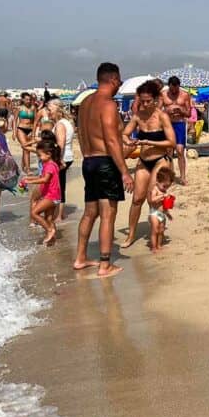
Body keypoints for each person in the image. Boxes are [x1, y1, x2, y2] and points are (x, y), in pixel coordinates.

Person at [73, 63, 134, 277]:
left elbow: (80, 135)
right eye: (119, 81)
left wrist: (90, 157)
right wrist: (125, 171)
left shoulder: (86, 103)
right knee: (108, 213)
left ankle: (80, 257)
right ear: (113, 80)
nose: (120, 84)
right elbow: (110, 140)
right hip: (105, 163)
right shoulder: (107, 105)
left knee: (91, 212)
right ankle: (105, 264)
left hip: (88, 161)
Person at [121, 81, 176, 248]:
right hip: (144, 161)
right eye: (142, 101)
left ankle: (158, 232)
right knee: (137, 199)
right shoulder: (138, 116)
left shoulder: (162, 116)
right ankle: (131, 235)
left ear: (156, 99)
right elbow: (124, 133)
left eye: (148, 101)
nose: (144, 104)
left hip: (160, 160)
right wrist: (129, 142)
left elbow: (171, 142)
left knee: (154, 200)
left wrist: (149, 141)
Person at [21, 141, 62, 244]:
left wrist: (30, 181)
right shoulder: (51, 164)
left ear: (49, 154)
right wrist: (28, 178)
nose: (39, 157)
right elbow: (41, 177)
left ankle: (49, 230)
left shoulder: (50, 166)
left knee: (34, 213)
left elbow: (45, 180)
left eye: (40, 155)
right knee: (49, 219)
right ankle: (52, 238)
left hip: (51, 196)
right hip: (55, 196)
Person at [46, 100, 75, 221]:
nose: (48, 112)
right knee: (60, 185)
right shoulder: (65, 122)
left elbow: (60, 144)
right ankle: (59, 214)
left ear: (58, 110)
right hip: (67, 157)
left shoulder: (60, 125)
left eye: (50, 109)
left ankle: (58, 215)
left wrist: (58, 160)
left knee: (57, 187)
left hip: (63, 158)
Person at [161, 76, 192, 185]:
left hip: (179, 123)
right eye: (172, 89)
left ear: (179, 86)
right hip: (168, 123)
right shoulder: (163, 94)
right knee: (169, 151)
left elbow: (189, 113)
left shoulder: (184, 95)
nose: (174, 92)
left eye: (176, 89)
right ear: (169, 86)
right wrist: (167, 112)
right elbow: (158, 111)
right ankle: (171, 175)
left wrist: (181, 110)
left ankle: (182, 177)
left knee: (179, 150)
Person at [146, 163, 175, 253]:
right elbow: (152, 200)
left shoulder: (163, 190)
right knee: (155, 230)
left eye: (168, 186)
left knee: (161, 230)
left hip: (162, 214)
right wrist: (161, 196)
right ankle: (154, 247)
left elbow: (164, 206)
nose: (165, 188)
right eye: (164, 186)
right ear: (157, 182)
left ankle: (159, 245)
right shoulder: (155, 189)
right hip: (154, 213)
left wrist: (168, 214)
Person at [15, 93, 36, 171]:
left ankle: (23, 165)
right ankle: (28, 169)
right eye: (26, 99)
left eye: (29, 99)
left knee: (27, 149)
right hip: (21, 129)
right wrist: (14, 132)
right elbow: (14, 120)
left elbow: (35, 121)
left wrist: (33, 132)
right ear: (23, 99)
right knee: (26, 148)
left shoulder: (33, 108)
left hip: (30, 130)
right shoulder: (19, 108)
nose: (28, 101)